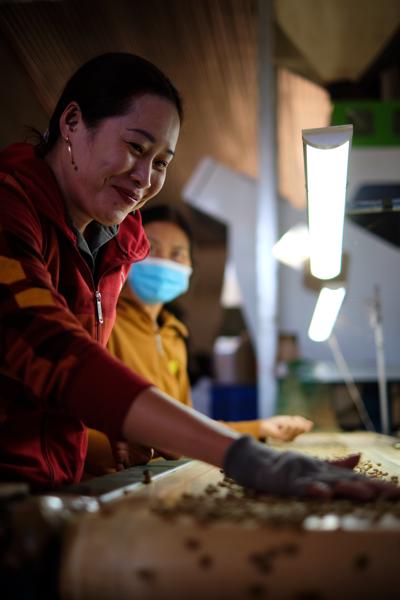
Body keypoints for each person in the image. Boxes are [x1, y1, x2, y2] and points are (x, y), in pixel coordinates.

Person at [0, 52, 397, 501]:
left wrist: (120, 424)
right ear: (72, 122)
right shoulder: (10, 205)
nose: (145, 178)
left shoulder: (108, 252)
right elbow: (50, 346)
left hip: (49, 493)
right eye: (135, 147)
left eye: (161, 163)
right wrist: (245, 456)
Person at [85, 204, 313, 475]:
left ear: (191, 266)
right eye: (150, 247)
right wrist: (121, 446)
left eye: (177, 254)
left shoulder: (174, 335)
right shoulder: (100, 324)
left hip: (157, 480)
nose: (164, 261)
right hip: (106, 484)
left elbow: (185, 430)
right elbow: (71, 432)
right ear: (126, 252)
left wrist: (260, 428)